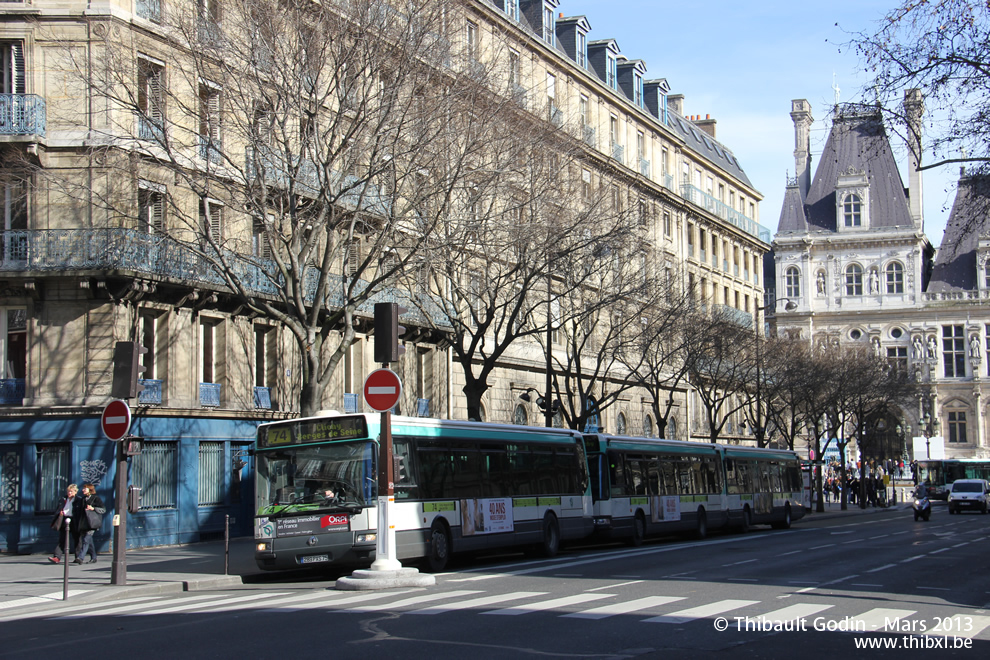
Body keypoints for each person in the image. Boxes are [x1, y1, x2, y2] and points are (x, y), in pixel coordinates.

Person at [74, 483, 105, 564]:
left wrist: (93, 508)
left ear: (90, 489)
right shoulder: (83, 500)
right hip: (84, 523)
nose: (83, 490)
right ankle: (94, 557)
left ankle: (80, 558)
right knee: (89, 542)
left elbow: (103, 509)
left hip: (92, 524)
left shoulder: (96, 498)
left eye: (85, 488)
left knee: (85, 540)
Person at [49, 483, 79, 564]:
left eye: (71, 491)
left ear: (75, 492)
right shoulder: (63, 499)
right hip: (64, 519)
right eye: (68, 491)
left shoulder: (78, 500)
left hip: (74, 520)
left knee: (77, 539)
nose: (69, 493)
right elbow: (58, 509)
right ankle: (57, 557)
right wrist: (60, 513)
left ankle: (78, 557)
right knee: (62, 539)